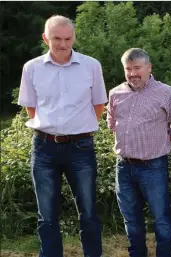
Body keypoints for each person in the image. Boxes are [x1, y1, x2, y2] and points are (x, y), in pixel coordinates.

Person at [17, 15, 106, 257]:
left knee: (88, 211)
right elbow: (31, 108)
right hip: (44, 146)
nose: (63, 44)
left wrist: (76, 128)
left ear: (74, 38)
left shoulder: (91, 66)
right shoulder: (31, 68)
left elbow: (98, 105)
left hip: (81, 147)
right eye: (57, 38)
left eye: (68, 38)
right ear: (45, 38)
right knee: (47, 214)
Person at [107, 48, 171, 257]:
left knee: (160, 217)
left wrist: (163, 140)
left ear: (149, 67)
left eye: (137, 68)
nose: (133, 73)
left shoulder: (165, 92)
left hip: (153, 165)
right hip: (123, 166)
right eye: (128, 69)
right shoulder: (116, 93)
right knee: (130, 218)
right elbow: (111, 124)